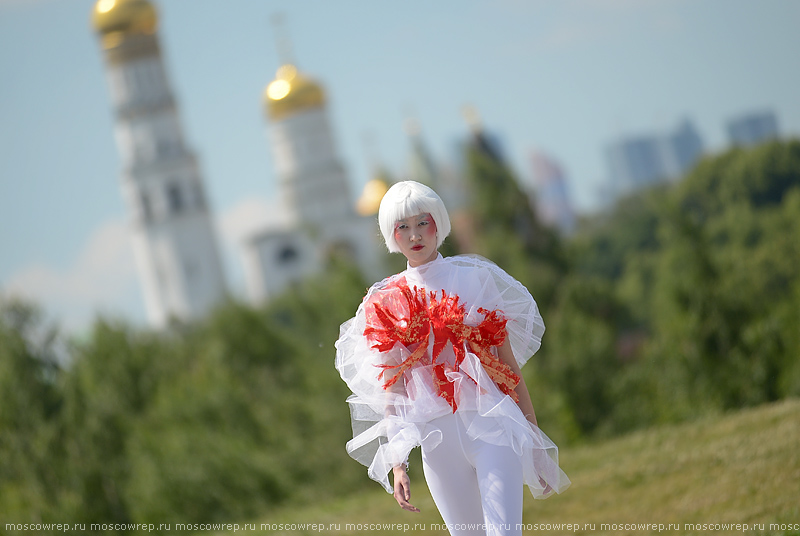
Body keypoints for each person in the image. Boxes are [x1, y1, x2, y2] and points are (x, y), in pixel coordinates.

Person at [335, 181, 569, 536]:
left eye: (422, 223)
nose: (414, 235)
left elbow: (507, 367)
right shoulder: (384, 301)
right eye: (403, 227)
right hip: (436, 444)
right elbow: (394, 390)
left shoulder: (474, 279)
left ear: (438, 224)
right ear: (391, 235)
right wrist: (397, 464)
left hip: (492, 427)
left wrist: (533, 439)